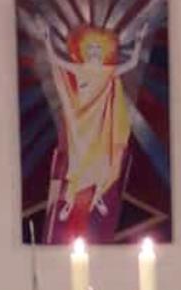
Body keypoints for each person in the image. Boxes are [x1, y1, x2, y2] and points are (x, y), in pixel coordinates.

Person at [38, 18, 149, 241]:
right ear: (83, 52)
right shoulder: (79, 69)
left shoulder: (108, 71)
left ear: (104, 52)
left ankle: (98, 195)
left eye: (99, 48)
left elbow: (131, 63)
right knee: (78, 165)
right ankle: (69, 202)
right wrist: (47, 38)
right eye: (91, 49)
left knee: (103, 163)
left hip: (101, 125)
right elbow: (56, 61)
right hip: (81, 126)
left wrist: (139, 40)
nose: (95, 52)